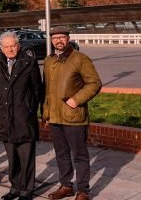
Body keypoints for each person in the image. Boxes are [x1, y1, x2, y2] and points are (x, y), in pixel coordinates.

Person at [43, 26, 102, 200]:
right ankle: (66, 186)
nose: (58, 41)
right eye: (55, 38)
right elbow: (47, 89)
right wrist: (46, 113)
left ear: (68, 38)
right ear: (51, 40)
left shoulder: (80, 59)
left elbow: (94, 83)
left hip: (74, 117)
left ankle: (83, 190)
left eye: (62, 37)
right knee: (61, 154)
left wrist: (76, 100)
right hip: (55, 117)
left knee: (79, 155)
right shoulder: (49, 61)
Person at [0, 32, 43, 200]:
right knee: (12, 157)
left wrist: (30, 109)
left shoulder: (28, 62)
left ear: (18, 45)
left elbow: (37, 88)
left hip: (23, 117)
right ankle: (15, 187)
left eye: (13, 45)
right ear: (1, 48)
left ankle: (27, 190)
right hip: (4, 118)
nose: (10, 49)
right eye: (6, 46)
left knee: (26, 157)